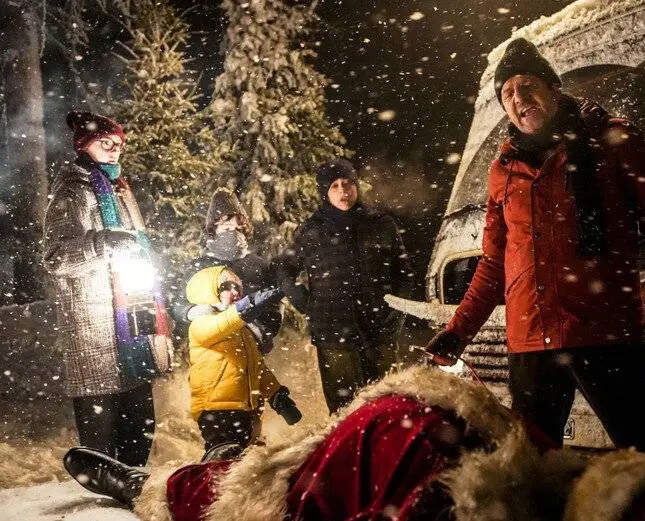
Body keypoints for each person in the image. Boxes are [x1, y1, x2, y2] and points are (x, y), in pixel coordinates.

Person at [64, 364, 641, 521]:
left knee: (225, 493)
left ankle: (144, 485)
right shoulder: (552, 471)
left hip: (343, 463)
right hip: (408, 414)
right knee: (246, 470)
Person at [426, 38, 645, 449]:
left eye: (528, 85)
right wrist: (457, 332)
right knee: (533, 463)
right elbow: (494, 262)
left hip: (605, 333)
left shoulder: (611, 140)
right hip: (531, 343)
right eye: (508, 93)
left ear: (554, 89)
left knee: (637, 449)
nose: (519, 98)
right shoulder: (503, 170)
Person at [43, 110, 173, 466]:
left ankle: (134, 487)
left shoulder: (120, 189)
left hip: (133, 327)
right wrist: (102, 244)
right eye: (105, 142)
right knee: (102, 454)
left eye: (118, 144)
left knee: (139, 437)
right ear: (84, 145)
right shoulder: (73, 191)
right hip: (95, 334)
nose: (115, 149)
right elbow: (56, 257)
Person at [275, 158, 415, 413]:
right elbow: (284, 270)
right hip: (333, 333)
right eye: (334, 186)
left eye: (348, 183)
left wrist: (397, 312)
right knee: (345, 412)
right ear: (325, 191)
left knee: (387, 406)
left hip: (379, 330)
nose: (343, 191)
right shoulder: (312, 230)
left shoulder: (381, 224)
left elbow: (403, 273)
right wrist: (306, 303)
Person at [185, 265, 301, 458]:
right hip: (217, 411)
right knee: (223, 459)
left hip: (246, 410)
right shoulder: (201, 324)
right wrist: (251, 303)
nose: (235, 292)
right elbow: (224, 323)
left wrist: (277, 396)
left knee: (246, 461)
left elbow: (257, 367)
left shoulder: (242, 331)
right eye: (226, 287)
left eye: (237, 288)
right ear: (209, 291)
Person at [171, 187, 281, 354]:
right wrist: (193, 312)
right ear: (214, 230)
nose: (233, 234)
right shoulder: (199, 267)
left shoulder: (259, 266)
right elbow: (179, 305)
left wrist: (258, 329)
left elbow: (273, 310)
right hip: (212, 350)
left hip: (251, 349)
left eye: (238, 229)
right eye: (227, 229)